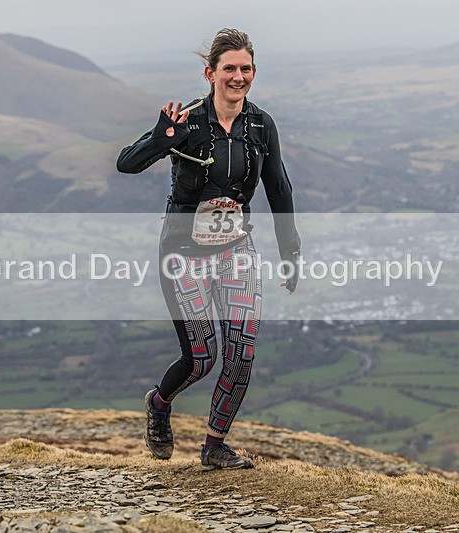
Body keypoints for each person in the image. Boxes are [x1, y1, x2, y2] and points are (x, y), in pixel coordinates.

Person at [116, 28, 300, 470]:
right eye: (229, 69)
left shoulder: (261, 124)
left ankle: (214, 446)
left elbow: (278, 188)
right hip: (183, 252)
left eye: (246, 68)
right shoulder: (188, 121)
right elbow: (127, 163)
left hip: (237, 249)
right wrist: (162, 139)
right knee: (201, 359)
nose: (238, 77)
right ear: (211, 73)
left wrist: (290, 252)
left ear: (253, 72)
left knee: (241, 352)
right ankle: (160, 404)